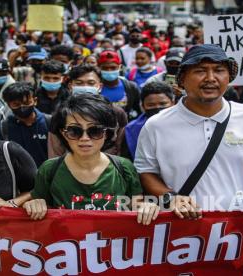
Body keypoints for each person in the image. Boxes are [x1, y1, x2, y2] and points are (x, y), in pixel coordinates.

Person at [134, 44, 243, 218]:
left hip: (239, 228)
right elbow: (146, 172)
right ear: (182, 79)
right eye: (200, 71)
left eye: (219, 70)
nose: (211, 78)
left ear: (229, 77)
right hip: (182, 230)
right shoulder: (156, 125)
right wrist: (170, 198)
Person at [23, 93, 159, 225]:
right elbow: (41, 207)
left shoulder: (124, 168)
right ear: (63, 134)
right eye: (74, 131)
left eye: (95, 131)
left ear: (107, 133)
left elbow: (136, 205)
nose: (84, 138)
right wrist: (34, 205)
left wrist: (146, 207)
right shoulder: (49, 170)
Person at [48, 65, 128, 158]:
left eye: (91, 83)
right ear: (70, 86)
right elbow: (56, 151)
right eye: (79, 83)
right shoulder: (61, 113)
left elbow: (120, 146)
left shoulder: (116, 112)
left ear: (100, 86)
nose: (85, 87)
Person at [0, 82, 50, 167]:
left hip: (46, 176)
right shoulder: (2, 128)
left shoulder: (50, 122)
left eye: (26, 103)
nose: (22, 107)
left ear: (35, 101)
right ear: (9, 105)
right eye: (16, 104)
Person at [122, 81, 175, 161]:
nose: (157, 108)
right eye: (151, 105)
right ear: (143, 106)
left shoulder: (185, 125)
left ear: (172, 103)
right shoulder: (131, 130)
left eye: (163, 104)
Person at [98, 50, 141, 120]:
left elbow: (139, 110)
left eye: (113, 67)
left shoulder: (131, 87)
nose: (109, 71)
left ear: (119, 67)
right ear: (100, 68)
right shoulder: (95, 88)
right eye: (105, 68)